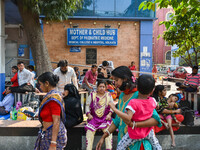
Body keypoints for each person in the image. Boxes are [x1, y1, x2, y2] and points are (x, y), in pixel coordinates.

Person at [96, 66, 162, 150]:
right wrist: (104, 136)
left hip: (139, 145)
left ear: (125, 79)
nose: (114, 83)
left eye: (116, 80)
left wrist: (134, 125)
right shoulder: (122, 95)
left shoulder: (139, 95)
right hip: (124, 143)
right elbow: (117, 120)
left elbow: (155, 120)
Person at [28, 72, 67, 150]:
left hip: (52, 136)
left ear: (46, 83)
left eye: (40, 84)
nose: (40, 87)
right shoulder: (51, 95)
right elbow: (48, 114)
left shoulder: (53, 99)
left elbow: (56, 121)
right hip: (46, 134)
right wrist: (34, 115)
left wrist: (53, 143)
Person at [85, 80, 113, 150]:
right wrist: (89, 115)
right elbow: (87, 105)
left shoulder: (108, 95)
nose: (102, 88)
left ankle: (109, 148)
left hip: (105, 118)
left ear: (106, 87)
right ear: (97, 87)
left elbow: (112, 107)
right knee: (89, 132)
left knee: (108, 132)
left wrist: (109, 114)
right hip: (94, 118)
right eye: (100, 86)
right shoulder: (92, 95)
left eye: (103, 87)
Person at [63, 84, 83, 150]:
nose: (63, 92)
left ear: (68, 91)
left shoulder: (63, 101)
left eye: (65, 90)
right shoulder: (77, 100)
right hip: (75, 128)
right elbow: (80, 117)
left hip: (65, 127)